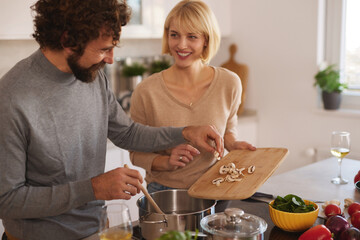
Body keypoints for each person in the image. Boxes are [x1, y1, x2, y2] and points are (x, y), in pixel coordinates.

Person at [0, 0, 224, 239]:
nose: (110, 59)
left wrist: (185, 132)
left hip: (98, 231)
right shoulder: (12, 98)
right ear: (67, 41)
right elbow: (7, 200)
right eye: (103, 49)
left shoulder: (93, 76)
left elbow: (127, 133)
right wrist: (93, 188)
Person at [130, 0, 256, 194]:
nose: (181, 45)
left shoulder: (229, 82)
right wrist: (166, 162)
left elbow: (228, 128)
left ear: (206, 39)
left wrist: (232, 144)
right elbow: (136, 152)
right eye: (174, 35)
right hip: (164, 192)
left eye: (192, 36)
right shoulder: (146, 91)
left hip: (215, 187)